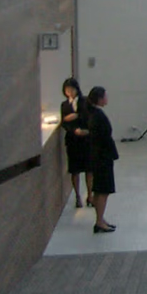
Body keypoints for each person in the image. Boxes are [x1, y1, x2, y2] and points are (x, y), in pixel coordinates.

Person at [85, 86, 119, 234]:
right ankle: (99, 221)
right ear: (99, 99)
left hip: (98, 156)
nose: (107, 98)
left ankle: (100, 219)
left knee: (100, 190)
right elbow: (104, 136)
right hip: (102, 157)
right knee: (103, 190)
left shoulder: (93, 113)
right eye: (105, 96)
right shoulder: (97, 115)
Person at [59, 77, 92, 210]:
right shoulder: (64, 105)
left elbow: (88, 116)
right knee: (75, 170)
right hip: (73, 140)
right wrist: (74, 130)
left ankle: (90, 195)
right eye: (67, 90)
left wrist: (76, 117)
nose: (70, 92)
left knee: (89, 169)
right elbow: (64, 123)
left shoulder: (85, 101)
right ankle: (77, 196)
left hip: (86, 139)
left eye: (72, 89)